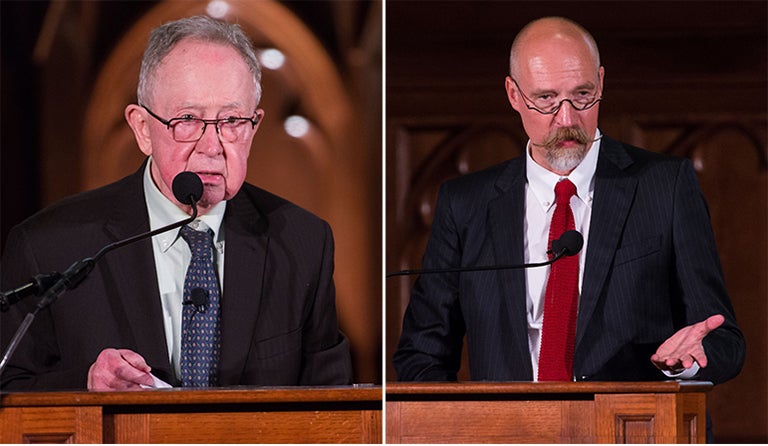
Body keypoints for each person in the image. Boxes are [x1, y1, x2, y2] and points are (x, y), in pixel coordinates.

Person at [1, 15, 352, 391]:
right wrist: (85, 384)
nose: (213, 145)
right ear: (142, 128)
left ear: (255, 126)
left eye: (232, 120)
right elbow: (9, 388)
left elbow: (331, 404)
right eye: (187, 119)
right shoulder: (49, 247)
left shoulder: (303, 244)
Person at [394, 17, 745, 385]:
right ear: (514, 95)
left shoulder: (665, 187)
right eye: (546, 99)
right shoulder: (465, 204)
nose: (567, 118)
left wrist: (684, 363)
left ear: (602, 82)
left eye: (582, 95)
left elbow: (724, 341)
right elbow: (421, 354)